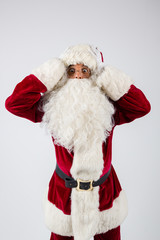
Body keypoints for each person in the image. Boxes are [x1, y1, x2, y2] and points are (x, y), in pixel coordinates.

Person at [5, 44, 151, 240]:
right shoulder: (53, 107)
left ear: (93, 75)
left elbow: (142, 107)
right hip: (65, 194)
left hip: (105, 191)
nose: (79, 76)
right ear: (63, 75)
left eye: (85, 70)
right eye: (71, 71)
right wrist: (49, 72)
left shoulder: (108, 109)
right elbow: (14, 103)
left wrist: (109, 77)